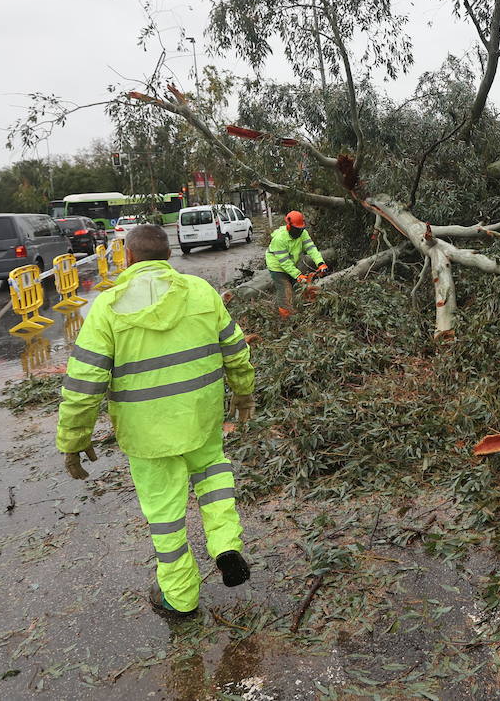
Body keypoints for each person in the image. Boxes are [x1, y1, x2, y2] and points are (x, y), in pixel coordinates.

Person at [57, 223, 256, 617]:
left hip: (146, 435)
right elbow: (235, 348)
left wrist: (75, 439)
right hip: (201, 418)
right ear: (168, 256)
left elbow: (83, 383)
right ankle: (226, 545)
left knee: (165, 515)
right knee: (214, 477)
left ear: (128, 257)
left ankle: (180, 598)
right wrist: (244, 391)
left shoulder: (107, 308)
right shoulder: (202, 293)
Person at [265, 210, 328, 316]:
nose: (299, 232)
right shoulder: (279, 239)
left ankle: (295, 308)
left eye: (301, 229)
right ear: (289, 227)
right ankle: (285, 316)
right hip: (277, 266)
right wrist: (298, 275)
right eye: (297, 229)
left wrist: (320, 263)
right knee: (285, 289)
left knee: (298, 287)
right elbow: (284, 262)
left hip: (292, 263)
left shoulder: (303, 234)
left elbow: (311, 248)